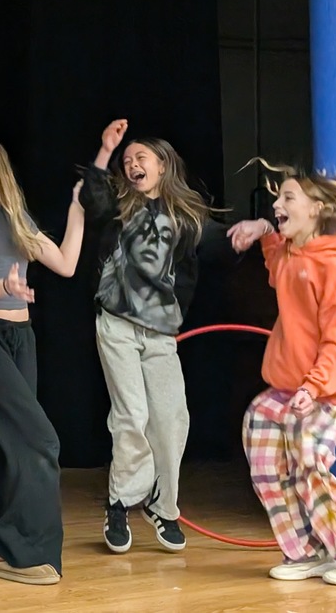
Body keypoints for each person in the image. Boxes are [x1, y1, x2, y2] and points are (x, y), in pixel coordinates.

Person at [80, 119, 223, 555]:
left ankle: (163, 506)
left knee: (172, 419)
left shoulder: (188, 216)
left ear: (162, 165)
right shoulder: (119, 208)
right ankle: (120, 502)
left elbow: (216, 247)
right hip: (118, 324)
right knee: (131, 415)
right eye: (128, 161)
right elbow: (93, 198)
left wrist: (256, 231)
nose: (133, 164)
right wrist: (106, 150)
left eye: (141, 157)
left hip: (160, 330)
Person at [0, 135, 83, 585]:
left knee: (6, 435)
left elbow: (66, 263)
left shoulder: (17, 217)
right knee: (38, 440)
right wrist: (3, 289)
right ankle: (28, 555)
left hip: (20, 336)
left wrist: (78, 212)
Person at [228, 162, 336, 586]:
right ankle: (304, 551)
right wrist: (262, 227)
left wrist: (313, 387)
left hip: (329, 392)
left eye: (288, 198)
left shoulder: (331, 267)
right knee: (261, 441)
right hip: (285, 389)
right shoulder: (291, 257)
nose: (278, 203)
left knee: (308, 459)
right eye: (277, 197)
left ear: (316, 208)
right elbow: (275, 262)